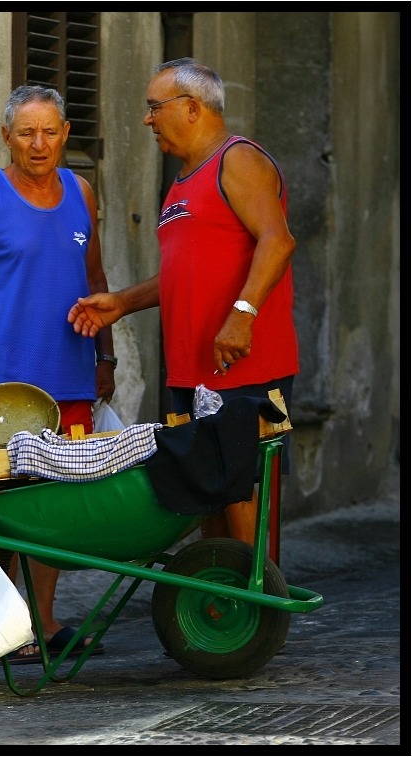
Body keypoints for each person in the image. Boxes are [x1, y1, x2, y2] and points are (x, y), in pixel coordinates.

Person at [68, 58, 298, 545]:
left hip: (243, 367)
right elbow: (186, 272)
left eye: (155, 107)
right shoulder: (181, 181)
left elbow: (278, 242)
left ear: (192, 107)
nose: (147, 119)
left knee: (246, 506)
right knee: (210, 505)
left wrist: (242, 315)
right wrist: (122, 303)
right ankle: (218, 592)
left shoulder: (238, 159)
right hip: (192, 371)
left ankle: (257, 594)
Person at [0, 85, 115, 663]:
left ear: (65, 135)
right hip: (4, 388)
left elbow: (97, 280)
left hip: (73, 379)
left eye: (50, 131)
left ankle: (43, 620)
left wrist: (106, 357)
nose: (39, 143)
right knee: (8, 506)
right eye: (27, 132)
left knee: (57, 505)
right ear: (6, 136)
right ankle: (4, 626)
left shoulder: (81, 193)